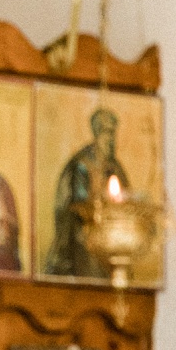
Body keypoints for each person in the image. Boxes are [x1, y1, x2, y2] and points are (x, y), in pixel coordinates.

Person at [45, 104, 126, 276]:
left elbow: (125, 199)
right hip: (84, 238)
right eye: (107, 133)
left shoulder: (115, 166)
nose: (111, 139)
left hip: (110, 237)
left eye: (113, 133)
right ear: (97, 134)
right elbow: (78, 205)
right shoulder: (82, 164)